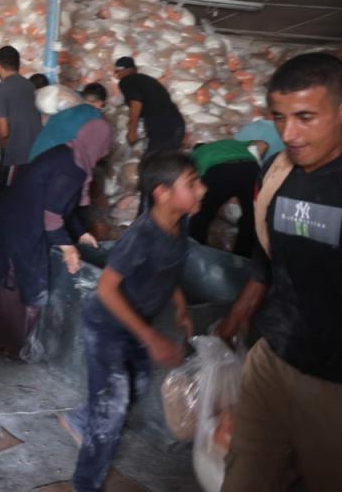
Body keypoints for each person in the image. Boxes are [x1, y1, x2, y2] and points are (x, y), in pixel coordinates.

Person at [216, 53, 342, 490]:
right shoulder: (277, 174)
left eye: (306, 117)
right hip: (272, 360)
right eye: (279, 118)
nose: (289, 134)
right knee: (244, 477)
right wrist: (235, 320)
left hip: (340, 383)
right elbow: (265, 260)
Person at [61, 151, 203, 492]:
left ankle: (80, 419)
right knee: (112, 409)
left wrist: (181, 308)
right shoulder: (141, 236)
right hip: (107, 325)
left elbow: (169, 273)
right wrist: (152, 339)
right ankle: (86, 483)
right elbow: (108, 289)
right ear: (162, 193)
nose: (203, 189)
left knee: (136, 387)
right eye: (192, 183)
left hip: (136, 324)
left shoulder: (179, 225)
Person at [0, 118, 112, 357]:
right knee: (18, 283)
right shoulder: (72, 169)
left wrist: (82, 234)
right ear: (97, 142)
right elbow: (52, 217)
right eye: (107, 143)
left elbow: (66, 205)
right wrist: (68, 248)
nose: (108, 149)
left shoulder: (68, 153)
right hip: (18, 227)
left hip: (4, 219)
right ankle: (12, 344)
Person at [188, 139, 260, 257]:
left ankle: (195, 254)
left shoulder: (197, 153)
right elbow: (257, 143)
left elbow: (196, 180)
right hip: (251, 167)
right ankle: (242, 258)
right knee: (251, 217)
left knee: (202, 215)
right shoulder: (232, 142)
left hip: (219, 171)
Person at [0, 45, 42, 187]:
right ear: (18, 64)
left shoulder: (0, 89)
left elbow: (3, 132)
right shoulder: (30, 86)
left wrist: (3, 155)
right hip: (36, 155)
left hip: (16, 157)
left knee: (9, 201)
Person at [114, 56, 185, 153]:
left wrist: (132, 131)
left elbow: (136, 102)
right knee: (167, 161)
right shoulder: (146, 80)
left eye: (117, 71)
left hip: (164, 127)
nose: (116, 75)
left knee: (155, 162)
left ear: (124, 70)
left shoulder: (127, 80)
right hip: (175, 124)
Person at [29, 83, 107, 162]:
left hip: (37, 153)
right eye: (102, 105)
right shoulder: (91, 116)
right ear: (99, 102)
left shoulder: (70, 100)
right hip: (51, 161)